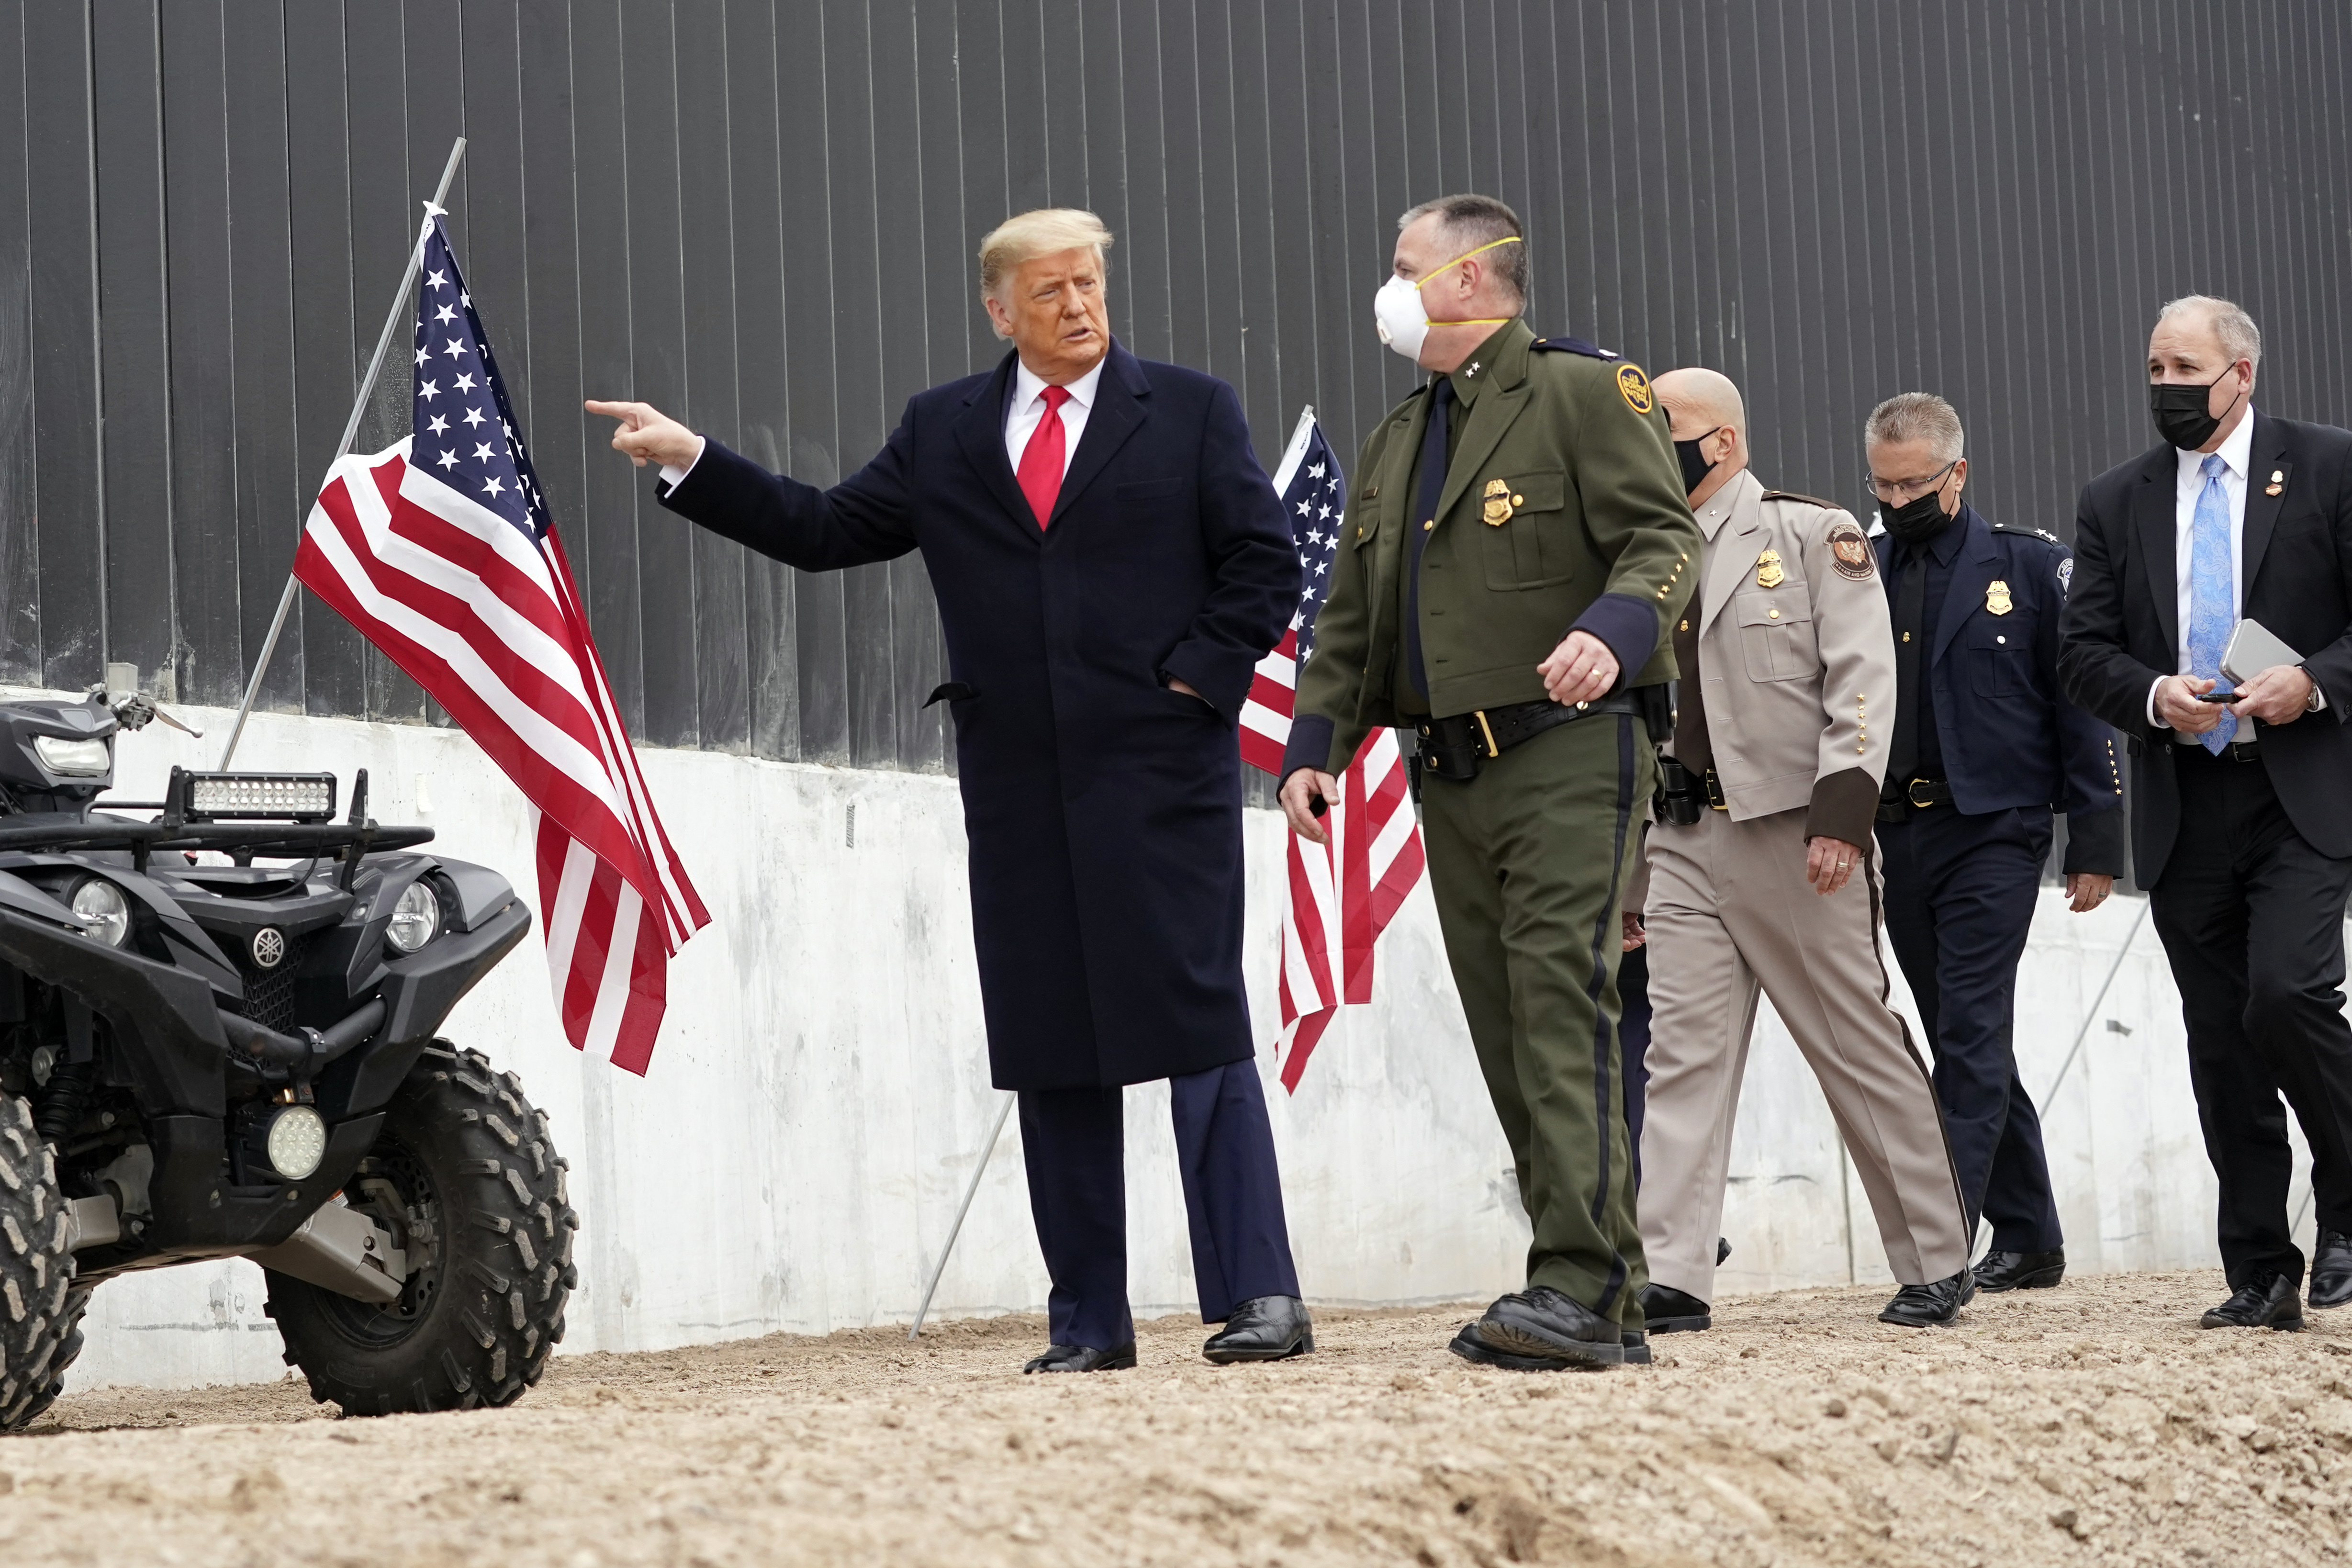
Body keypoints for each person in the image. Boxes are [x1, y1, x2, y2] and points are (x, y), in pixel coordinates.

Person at [587, 209, 1313, 1372]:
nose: (1078, 307)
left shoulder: (1187, 409)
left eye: (1089, 285)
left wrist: (1191, 685)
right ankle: (1089, 1325)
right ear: (999, 309)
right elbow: (825, 530)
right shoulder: (946, 430)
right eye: (1050, 293)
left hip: (1157, 775)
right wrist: (693, 462)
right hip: (1018, 787)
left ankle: (1261, 1298)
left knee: (1199, 1024)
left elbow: (1264, 564)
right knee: (1049, 1044)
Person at [1280, 193, 1701, 1371]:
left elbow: (1665, 535)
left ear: (1470, 278)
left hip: (1568, 748)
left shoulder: (1581, 389)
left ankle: (1576, 1281)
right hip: (1449, 774)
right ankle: (1596, 1293)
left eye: (1405, 265)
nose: (1391, 285)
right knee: (1509, 1030)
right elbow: (1356, 618)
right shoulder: (1402, 438)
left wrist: (1618, 631)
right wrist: (1314, 748)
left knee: (1563, 1004)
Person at [1635, 367, 1974, 1332]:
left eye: (1670, 428)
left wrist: (1843, 814)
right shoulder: (1638, 555)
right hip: (1682, 838)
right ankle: (1673, 1272)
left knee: (1854, 1042)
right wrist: (1632, 872)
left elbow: (1862, 683)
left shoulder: (1812, 536)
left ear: (1726, 442)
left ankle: (1935, 1255)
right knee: (1683, 1057)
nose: (1652, 444)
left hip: (1794, 833)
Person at [2059, 295, 2352, 1331]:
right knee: (2222, 1042)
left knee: (2286, 995)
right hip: (2188, 800)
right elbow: (2083, 650)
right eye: (2153, 368)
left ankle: (2348, 1197)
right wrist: (2152, 696)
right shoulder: (2115, 499)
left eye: (2186, 368)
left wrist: (2309, 683)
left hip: (2300, 792)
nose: (2166, 388)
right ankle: (2263, 1270)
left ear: (2243, 374)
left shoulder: (2329, 466)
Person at [1863, 393, 2127, 1295]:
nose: (1898, 501)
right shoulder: (1862, 570)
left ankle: (1943, 1252)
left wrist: (2095, 838)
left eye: (1914, 484)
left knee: (1970, 1031)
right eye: (1882, 485)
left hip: (1996, 834)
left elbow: (2078, 700)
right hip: (1900, 836)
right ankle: (2030, 1233)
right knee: (1957, 1033)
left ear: (1957, 472)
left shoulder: (2027, 564)